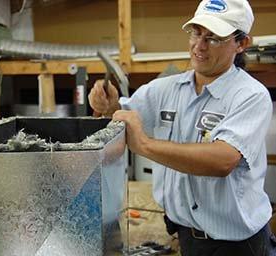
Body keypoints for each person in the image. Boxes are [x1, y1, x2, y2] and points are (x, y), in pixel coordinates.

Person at [88, 0, 276, 255]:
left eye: (214, 38)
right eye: (196, 33)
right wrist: (105, 102)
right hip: (187, 237)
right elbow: (119, 115)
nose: (199, 46)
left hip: (238, 246)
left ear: (241, 44)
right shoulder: (164, 89)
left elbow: (222, 161)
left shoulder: (250, 95)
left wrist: (144, 145)